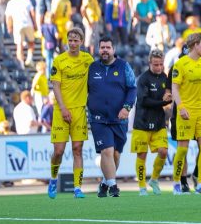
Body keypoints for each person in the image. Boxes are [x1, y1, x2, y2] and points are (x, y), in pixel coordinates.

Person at [87, 36, 137, 198]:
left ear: (113, 50)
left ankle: (105, 182)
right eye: (102, 47)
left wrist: (127, 108)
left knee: (115, 154)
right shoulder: (92, 68)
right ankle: (114, 186)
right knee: (106, 151)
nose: (105, 50)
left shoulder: (124, 67)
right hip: (98, 119)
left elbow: (132, 89)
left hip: (119, 118)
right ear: (98, 49)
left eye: (108, 47)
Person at [48, 27, 92, 199]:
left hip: (80, 110)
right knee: (58, 151)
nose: (73, 43)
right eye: (70, 40)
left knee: (77, 149)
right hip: (61, 110)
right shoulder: (59, 61)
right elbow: (56, 86)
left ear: (81, 41)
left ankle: (77, 188)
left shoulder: (88, 60)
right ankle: (53, 179)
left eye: (76, 40)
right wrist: (64, 108)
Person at [170, 32, 201, 195]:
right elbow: (174, 88)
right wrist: (181, 107)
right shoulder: (180, 64)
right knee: (182, 149)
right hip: (186, 111)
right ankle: (176, 183)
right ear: (195, 45)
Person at [131, 49, 172, 196]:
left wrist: (169, 96)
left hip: (159, 122)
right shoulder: (143, 79)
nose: (159, 67)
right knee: (142, 155)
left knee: (163, 151)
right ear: (149, 63)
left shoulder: (164, 77)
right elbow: (144, 100)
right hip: (142, 122)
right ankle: (142, 186)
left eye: (161, 64)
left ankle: (154, 179)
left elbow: (167, 94)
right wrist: (163, 101)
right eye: (156, 64)